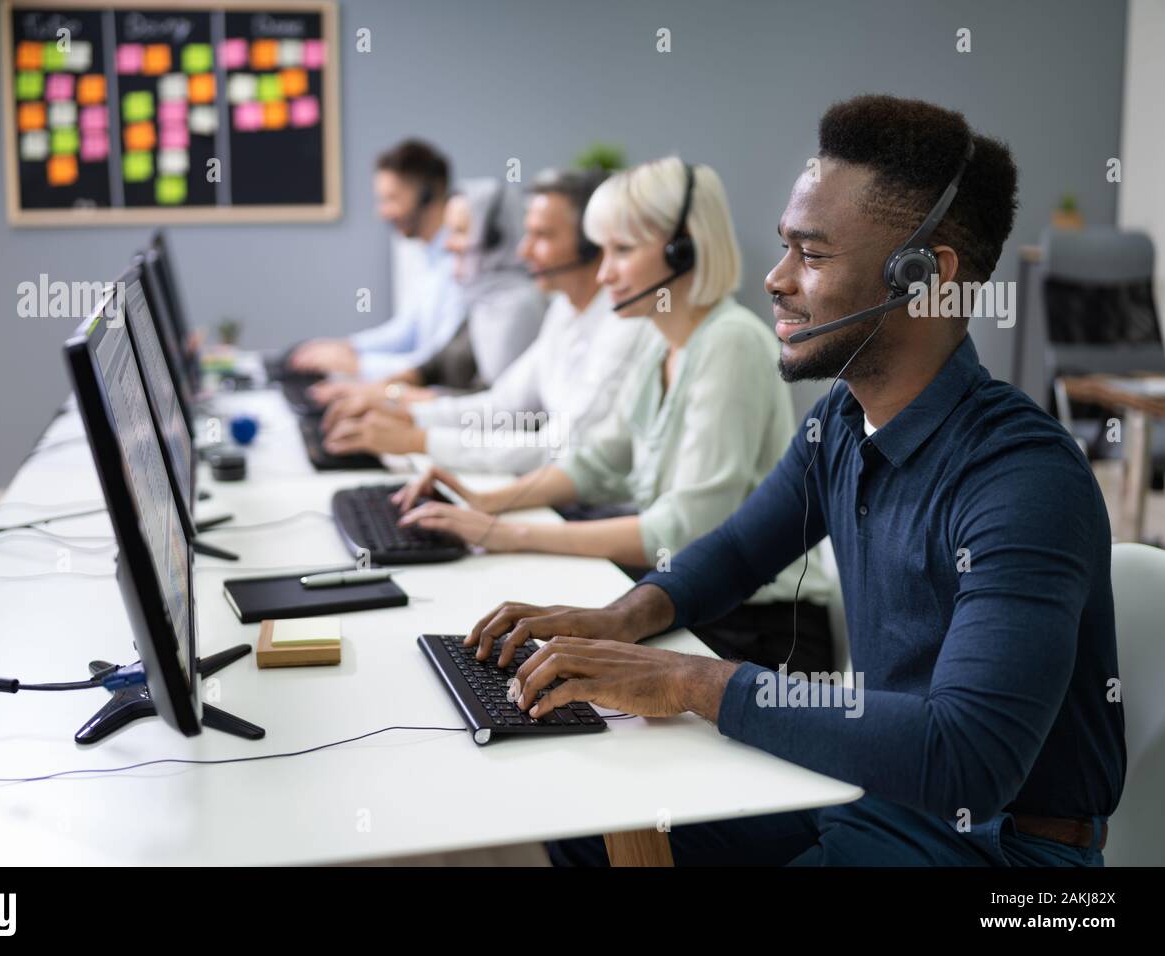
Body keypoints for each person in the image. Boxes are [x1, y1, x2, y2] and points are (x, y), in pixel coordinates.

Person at [460, 95, 1124, 867]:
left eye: (811, 255)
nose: (775, 280)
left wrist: (690, 681)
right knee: (590, 824)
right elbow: (740, 550)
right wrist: (618, 619)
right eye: (786, 248)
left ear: (924, 276)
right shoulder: (840, 421)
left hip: (1001, 850)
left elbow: (965, 758)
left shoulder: (1024, 480)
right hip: (874, 793)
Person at [394, 157, 833, 669]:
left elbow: (683, 529)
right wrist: (488, 504)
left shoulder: (729, 343)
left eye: (621, 251)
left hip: (761, 633)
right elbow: (597, 461)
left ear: (683, 249)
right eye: (601, 251)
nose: (603, 274)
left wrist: (508, 533)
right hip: (690, 603)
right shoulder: (662, 339)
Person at [319, 166, 644, 473]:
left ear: (592, 247)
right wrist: (405, 414)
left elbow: (561, 447)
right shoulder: (564, 309)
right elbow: (502, 406)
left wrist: (419, 438)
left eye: (542, 236)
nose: (523, 251)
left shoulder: (622, 325)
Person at [309, 179, 545, 410]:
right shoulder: (483, 295)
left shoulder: (517, 306)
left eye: (460, 232)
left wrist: (395, 397)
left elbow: (499, 407)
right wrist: (373, 389)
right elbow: (435, 364)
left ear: (495, 238)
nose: (447, 245)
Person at [288, 139, 459, 380]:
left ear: (429, 194)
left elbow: (436, 363)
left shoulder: (461, 263)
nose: (381, 212)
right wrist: (347, 347)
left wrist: (357, 364)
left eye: (391, 199)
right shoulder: (430, 256)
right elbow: (406, 332)